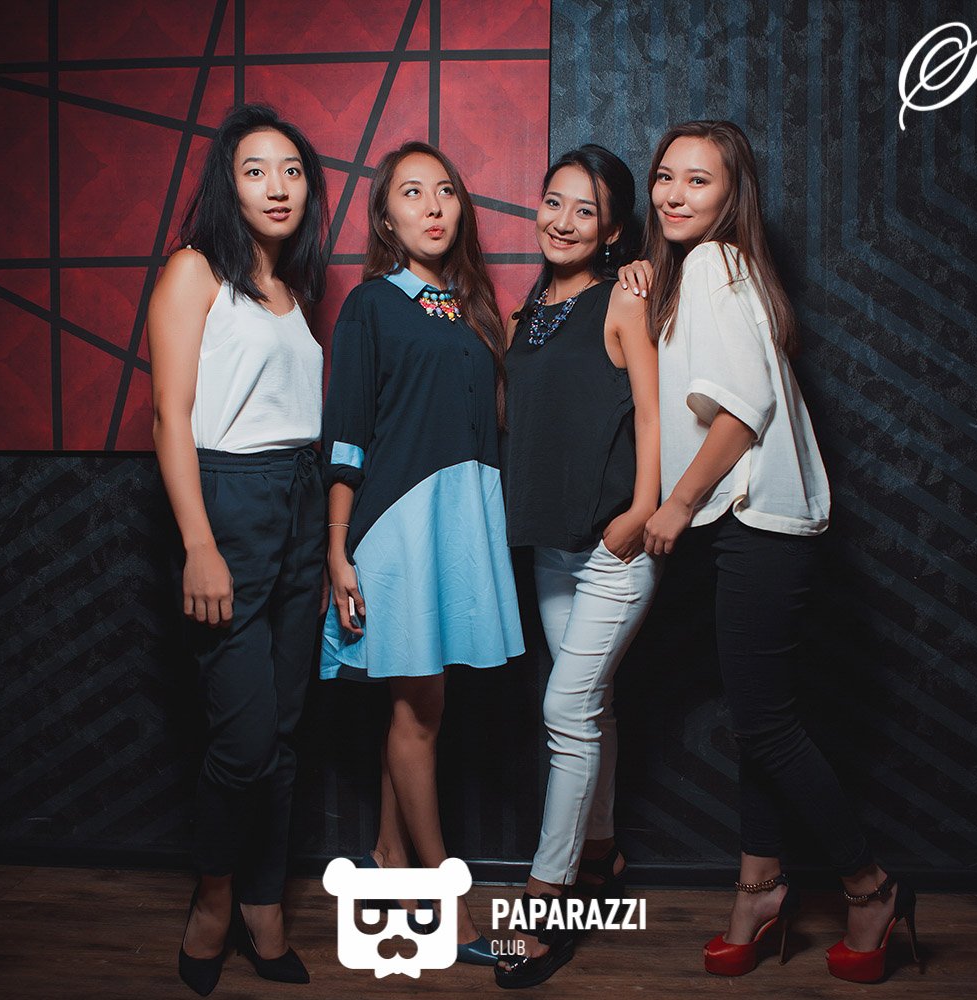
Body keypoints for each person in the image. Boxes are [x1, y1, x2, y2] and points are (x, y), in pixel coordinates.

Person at [624, 120, 921, 984]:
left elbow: (742, 408)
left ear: (732, 196)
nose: (675, 193)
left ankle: (869, 887)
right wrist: (642, 279)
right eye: (665, 176)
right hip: (750, 527)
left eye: (699, 180)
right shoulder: (704, 271)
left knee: (766, 723)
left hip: (754, 522)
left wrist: (677, 504)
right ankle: (758, 890)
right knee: (759, 718)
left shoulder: (714, 264)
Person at [321, 140, 524, 966]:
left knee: (416, 703)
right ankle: (447, 900)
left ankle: (387, 855)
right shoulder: (370, 305)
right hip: (398, 526)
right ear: (385, 218)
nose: (434, 205)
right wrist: (337, 551)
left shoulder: (472, 308)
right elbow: (346, 433)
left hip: (462, 519)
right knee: (421, 710)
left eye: (445, 190)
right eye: (412, 192)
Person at [147, 103, 329, 994]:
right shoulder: (195, 270)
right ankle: (213, 899)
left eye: (291, 170)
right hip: (230, 501)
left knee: (283, 734)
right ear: (229, 183)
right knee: (245, 738)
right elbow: (167, 415)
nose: (277, 186)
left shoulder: (291, 294)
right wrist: (198, 542)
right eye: (256, 170)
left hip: (299, 500)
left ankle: (265, 903)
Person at [493, 145, 660, 989]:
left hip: (610, 548)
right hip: (549, 546)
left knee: (566, 709)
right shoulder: (526, 316)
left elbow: (653, 415)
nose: (561, 221)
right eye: (553, 202)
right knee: (591, 708)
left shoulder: (622, 299)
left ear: (613, 231)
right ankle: (601, 855)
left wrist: (643, 509)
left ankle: (547, 898)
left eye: (584, 210)